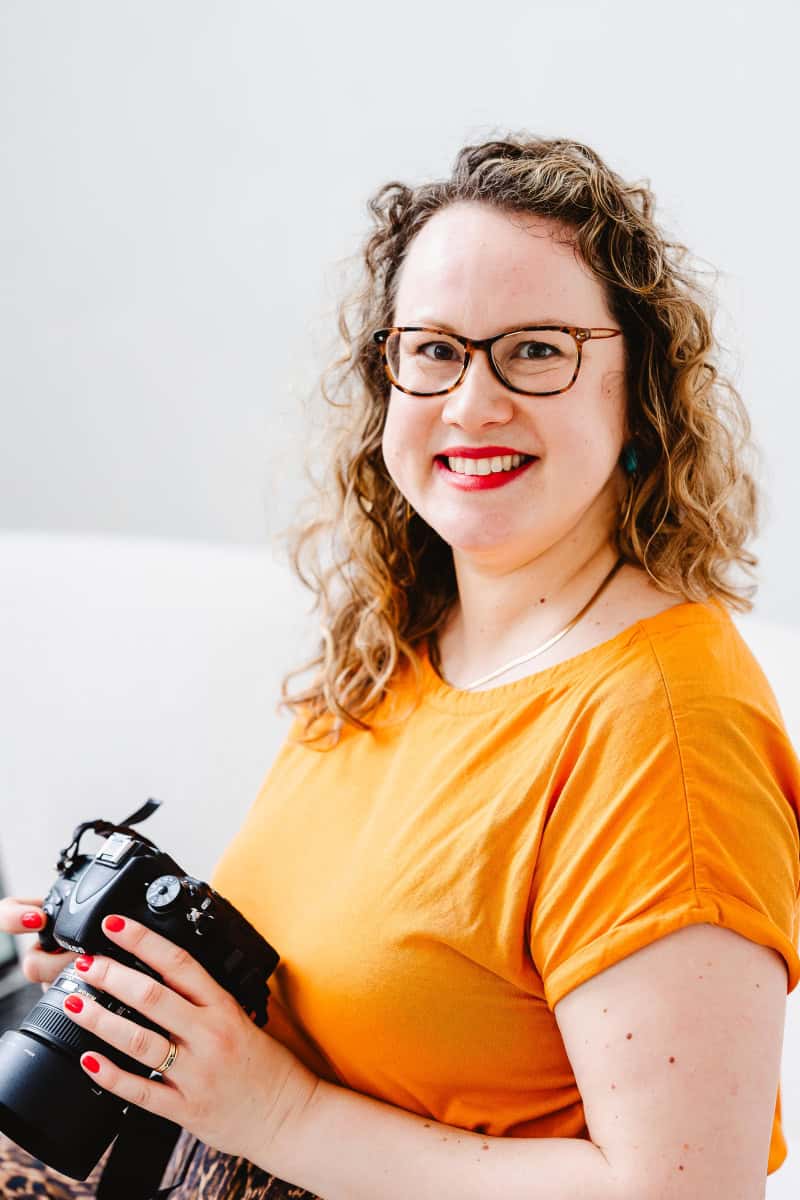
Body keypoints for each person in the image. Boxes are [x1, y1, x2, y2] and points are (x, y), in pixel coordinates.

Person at [1, 134, 799, 1200]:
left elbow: (681, 1192)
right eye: (432, 349)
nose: (471, 404)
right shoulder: (405, 641)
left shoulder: (663, 732)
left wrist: (273, 1113)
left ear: (636, 386)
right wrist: (137, 1003)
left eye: (534, 350)